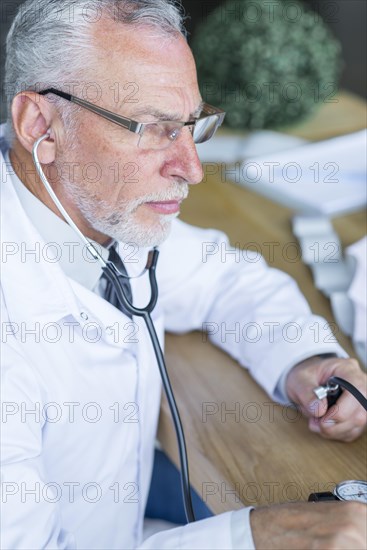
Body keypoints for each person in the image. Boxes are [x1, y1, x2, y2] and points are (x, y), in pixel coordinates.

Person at [1, 1, 366, 549]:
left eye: (192, 126)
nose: (191, 168)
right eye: (153, 129)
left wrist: (303, 360)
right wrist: (264, 535)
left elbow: (225, 279)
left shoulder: (89, 206)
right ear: (40, 125)